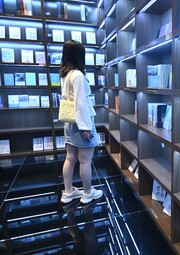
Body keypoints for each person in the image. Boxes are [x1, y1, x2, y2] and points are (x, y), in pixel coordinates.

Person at [60, 40, 103, 204]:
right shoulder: (77, 75)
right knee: (85, 160)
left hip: (69, 123)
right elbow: (80, 103)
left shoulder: (65, 74)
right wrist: (86, 128)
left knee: (70, 158)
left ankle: (68, 191)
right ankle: (87, 193)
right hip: (80, 123)